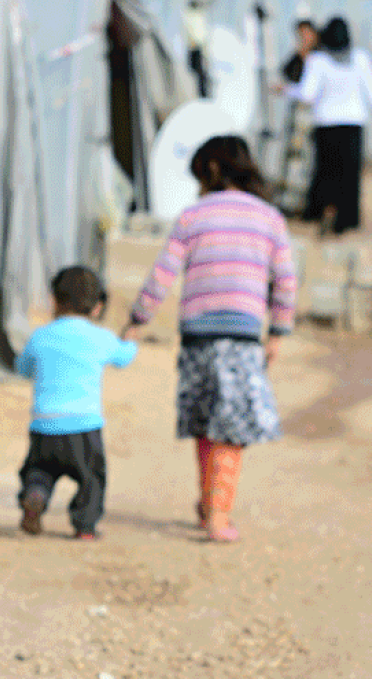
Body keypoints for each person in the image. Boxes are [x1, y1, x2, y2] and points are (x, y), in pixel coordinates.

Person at [123, 136, 297, 542]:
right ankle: (219, 514)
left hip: (197, 338)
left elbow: (162, 274)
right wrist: (278, 331)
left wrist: (138, 319)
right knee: (231, 428)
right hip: (241, 338)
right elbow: (286, 282)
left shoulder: (192, 216)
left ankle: (209, 504)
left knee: (205, 422)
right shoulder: (270, 218)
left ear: (211, 171)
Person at [15, 266, 138, 541]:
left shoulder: (41, 336)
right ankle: (85, 526)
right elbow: (123, 357)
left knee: (39, 470)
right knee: (92, 478)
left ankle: (36, 494)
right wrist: (130, 340)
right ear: (97, 307)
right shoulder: (100, 338)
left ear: (54, 301)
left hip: (44, 425)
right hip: (84, 427)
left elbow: (22, 367)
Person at [287, 17, 372, 237]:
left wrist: (287, 90)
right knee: (349, 175)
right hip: (352, 126)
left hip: (325, 126)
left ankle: (322, 212)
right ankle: (346, 220)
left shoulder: (318, 60)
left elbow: (307, 95)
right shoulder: (360, 59)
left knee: (326, 172)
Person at [282, 19, 317, 86]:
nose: (304, 38)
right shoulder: (296, 58)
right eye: (301, 34)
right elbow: (288, 76)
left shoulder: (323, 55)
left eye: (306, 33)